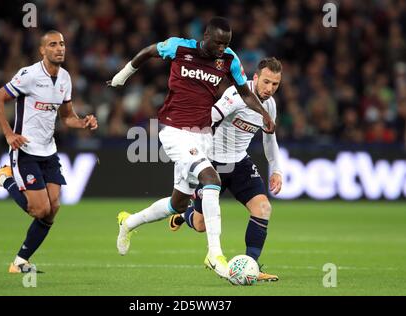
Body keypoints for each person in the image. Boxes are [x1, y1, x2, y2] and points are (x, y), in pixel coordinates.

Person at [107, 17, 275, 279]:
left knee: (177, 203)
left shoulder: (229, 59)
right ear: (205, 36)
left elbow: (244, 91)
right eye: (218, 42)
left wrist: (263, 113)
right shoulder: (179, 47)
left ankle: (128, 223)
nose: (222, 48)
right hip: (173, 131)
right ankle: (215, 254)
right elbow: (149, 51)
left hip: (201, 136)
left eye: (226, 43)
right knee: (212, 179)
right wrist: (123, 75)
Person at [0, 30, 98, 273]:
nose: (59, 48)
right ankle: (4, 177)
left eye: (62, 44)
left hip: (48, 150)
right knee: (38, 209)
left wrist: (83, 122)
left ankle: (20, 262)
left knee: (53, 209)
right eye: (53, 44)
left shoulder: (65, 78)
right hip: (25, 150)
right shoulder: (29, 75)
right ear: (42, 51)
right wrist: (8, 134)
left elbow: (67, 118)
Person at [168, 57, 283, 282]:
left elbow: (270, 139)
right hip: (212, 165)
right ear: (255, 78)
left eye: (275, 84)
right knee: (200, 225)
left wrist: (276, 170)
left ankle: (252, 266)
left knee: (263, 208)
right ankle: (184, 214)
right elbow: (208, 118)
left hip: (239, 162)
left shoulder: (269, 105)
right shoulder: (235, 95)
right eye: (266, 82)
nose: (270, 89)